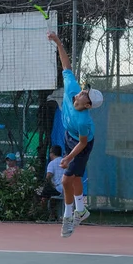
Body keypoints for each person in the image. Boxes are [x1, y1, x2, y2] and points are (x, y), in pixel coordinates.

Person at [47, 31, 103, 238]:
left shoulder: (84, 121)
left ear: (87, 104)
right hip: (70, 137)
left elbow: (82, 143)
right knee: (76, 176)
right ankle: (81, 210)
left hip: (83, 143)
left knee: (65, 181)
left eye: (85, 95)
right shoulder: (72, 88)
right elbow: (66, 65)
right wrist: (57, 41)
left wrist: (68, 157)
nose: (81, 92)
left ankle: (68, 216)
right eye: (83, 91)